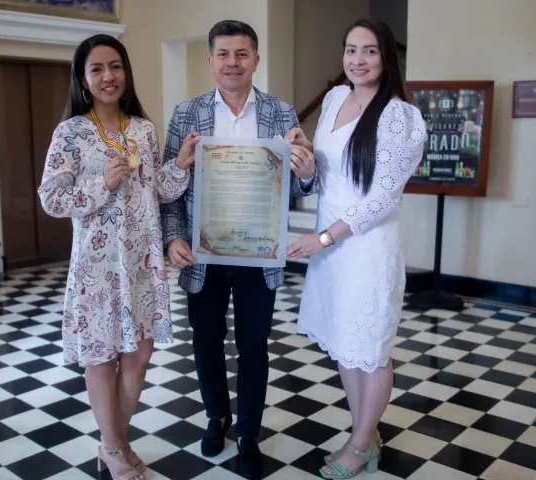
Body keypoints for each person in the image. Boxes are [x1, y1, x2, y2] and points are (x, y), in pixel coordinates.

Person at [160, 20, 318, 479]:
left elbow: (305, 182)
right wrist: (173, 238)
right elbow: (168, 189)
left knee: (253, 347)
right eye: (224, 54)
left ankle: (248, 432)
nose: (233, 62)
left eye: (242, 53)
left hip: (257, 255)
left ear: (256, 59)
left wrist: (307, 169)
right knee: (206, 343)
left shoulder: (281, 112)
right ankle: (217, 417)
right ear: (210, 61)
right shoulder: (185, 114)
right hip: (203, 256)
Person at [37, 34, 195, 480]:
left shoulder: (142, 128)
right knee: (103, 359)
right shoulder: (70, 134)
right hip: (97, 268)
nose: (108, 76)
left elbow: (157, 192)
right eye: (97, 69)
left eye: (116, 66)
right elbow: (51, 198)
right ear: (84, 80)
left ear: (126, 73)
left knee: (140, 356)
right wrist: (100, 184)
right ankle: (115, 447)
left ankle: (111, 446)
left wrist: (179, 163)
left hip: (143, 264)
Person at [286, 18, 427, 479]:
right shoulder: (332, 99)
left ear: (386, 57)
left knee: (371, 347)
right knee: (346, 345)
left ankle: (363, 442)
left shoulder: (399, 116)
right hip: (331, 244)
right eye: (351, 50)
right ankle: (362, 430)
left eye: (369, 51)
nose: (358, 60)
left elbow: (382, 199)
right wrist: (305, 165)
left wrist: (324, 237)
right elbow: (323, 176)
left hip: (365, 246)